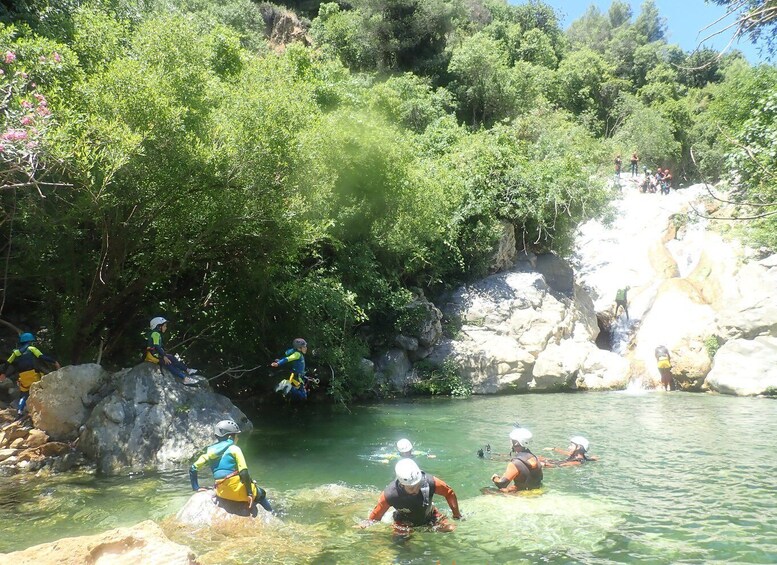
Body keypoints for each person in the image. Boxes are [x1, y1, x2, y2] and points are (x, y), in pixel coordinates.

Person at [189, 419, 272, 516]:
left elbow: (193, 468)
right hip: (239, 492)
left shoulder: (209, 453)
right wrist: (249, 494)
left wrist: (196, 487)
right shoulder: (234, 449)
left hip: (221, 493)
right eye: (236, 436)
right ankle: (271, 513)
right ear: (230, 436)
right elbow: (244, 472)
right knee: (262, 493)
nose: (238, 438)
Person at [358, 458, 462, 535]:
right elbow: (376, 516)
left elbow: (449, 493)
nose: (415, 489)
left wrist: (456, 515)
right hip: (404, 523)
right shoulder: (390, 494)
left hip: (431, 516)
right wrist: (365, 524)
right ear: (401, 484)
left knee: (452, 529)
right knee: (400, 545)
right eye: (411, 487)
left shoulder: (430, 482)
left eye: (417, 485)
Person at [0, 332, 60, 418]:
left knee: (24, 395)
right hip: (33, 374)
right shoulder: (32, 348)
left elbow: (7, 363)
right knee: (40, 389)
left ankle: (20, 411)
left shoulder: (16, 353)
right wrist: (54, 362)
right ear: (30, 342)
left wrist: (2, 373)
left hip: (22, 376)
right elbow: (41, 357)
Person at [144, 317, 199, 385]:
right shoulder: (155, 334)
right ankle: (185, 378)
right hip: (152, 356)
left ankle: (187, 370)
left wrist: (164, 355)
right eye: (164, 326)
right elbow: (157, 346)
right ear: (158, 326)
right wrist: (164, 356)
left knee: (171, 357)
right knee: (168, 363)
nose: (165, 328)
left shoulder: (155, 333)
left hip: (155, 354)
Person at [490, 428, 543, 492]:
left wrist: (495, 478)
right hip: (538, 491)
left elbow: (501, 484)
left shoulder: (515, 463)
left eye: (512, 441)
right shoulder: (534, 458)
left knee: (486, 490)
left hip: (524, 496)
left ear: (516, 443)